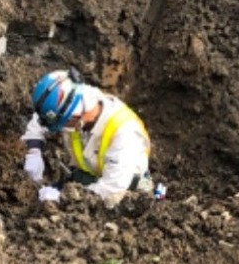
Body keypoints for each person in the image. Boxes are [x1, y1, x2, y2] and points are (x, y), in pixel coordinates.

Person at [23, 70, 153, 206]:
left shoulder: (124, 133)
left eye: (65, 124)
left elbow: (110, 192)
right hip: (87, 178)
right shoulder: (80, 100)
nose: (63, 129)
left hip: (122, 196)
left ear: (77, 117)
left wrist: (62, 199)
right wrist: (34, 151)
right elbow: (40, 120)